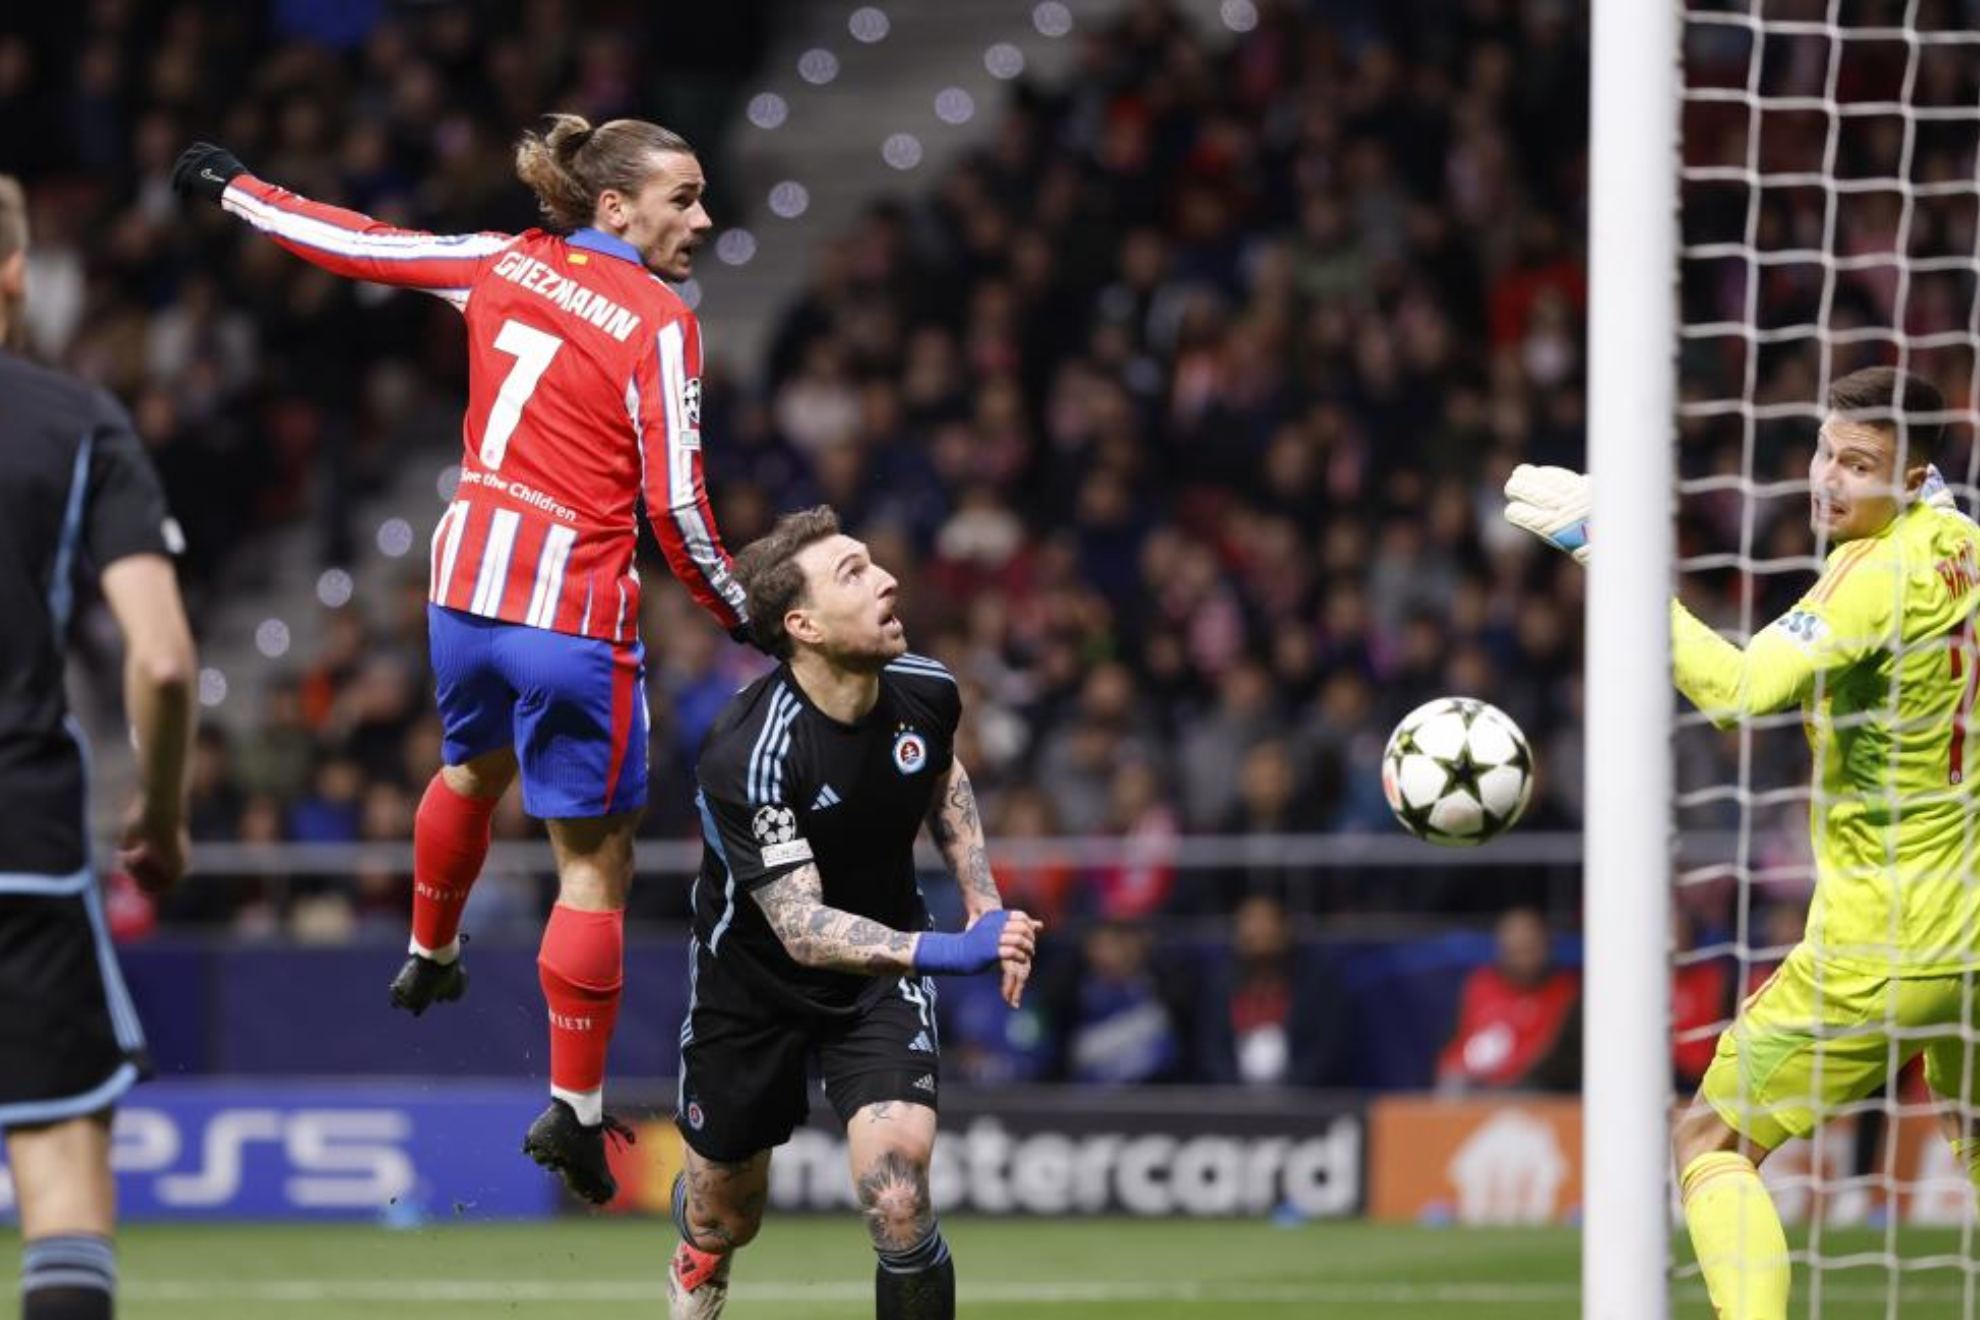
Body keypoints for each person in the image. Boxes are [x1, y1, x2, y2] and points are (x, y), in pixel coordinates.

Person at [170, 113, 752, 1204]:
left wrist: (237, 189)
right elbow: (676, 505)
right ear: (615, 208)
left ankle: (430, 947)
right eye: (684, 198)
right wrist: (740, 612)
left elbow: (359, 243)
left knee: (470, 771)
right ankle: (575, 1109)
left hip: (464, 595)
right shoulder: (661, 320)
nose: (705, 219)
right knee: (595, 866)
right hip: (572, 618)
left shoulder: (500, 261)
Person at [1505, 366, 1980, 1319]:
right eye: (1825, 453)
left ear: (1908, 475)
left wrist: (1612, 551)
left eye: (1859, 466)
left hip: (1885, 935)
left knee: (1710, 1140)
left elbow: (1738, 689)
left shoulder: (1872, 577)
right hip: (1971, 921)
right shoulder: (1958, 540)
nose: (1828, 480)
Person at [668, 506, 1040, 1320]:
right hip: (751, 985)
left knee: (897, 1197)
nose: (888, 581)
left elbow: (941, 775)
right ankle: (700, 1250)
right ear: (802, 625)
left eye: (873, 563)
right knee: (726, 1217)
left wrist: (983, 902)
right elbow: (802, 929)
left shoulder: (927, 688)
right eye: (855, 574)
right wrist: (948, 951)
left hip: (877, 977)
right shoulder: (747, 752)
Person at [0, 174, 197, 1320]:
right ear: (18, 274)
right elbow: (162, 659)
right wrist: (160, 817)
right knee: (62, 1157)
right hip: (19, 841)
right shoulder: (77, 422)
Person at [1434, 905, 1580, 1093]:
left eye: (1529, 949)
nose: (1523, 959)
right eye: (1515, 950)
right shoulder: (1480, 984)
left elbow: (1558, 1059)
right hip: (1473, 1083)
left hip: (1530, 1088)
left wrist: (1508, 1078)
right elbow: (1455, 1044)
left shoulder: (1567, 993)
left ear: (1547, 946)